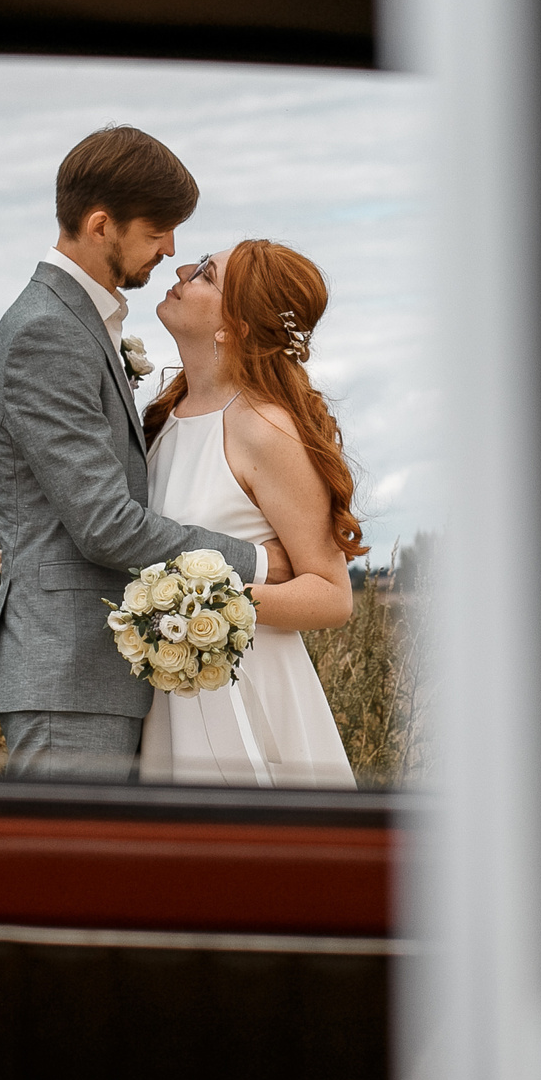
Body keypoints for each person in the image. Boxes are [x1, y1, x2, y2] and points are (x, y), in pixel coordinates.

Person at [0, 126, 293, 780]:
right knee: (67, 879)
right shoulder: (47, 333)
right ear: (100, 225)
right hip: (70, 676)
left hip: (96, 674)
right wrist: (260, 560)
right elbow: (104, 524)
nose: (171, 249)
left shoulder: (77, 323)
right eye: (157, 231)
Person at [138, 240, 361, 787]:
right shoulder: (166, 415)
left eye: (206, 275)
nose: (183, 270)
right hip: (170, 694)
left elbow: (332, 595)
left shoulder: (265, 429)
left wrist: (204, 601)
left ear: (232, 328)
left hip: (245, 688)